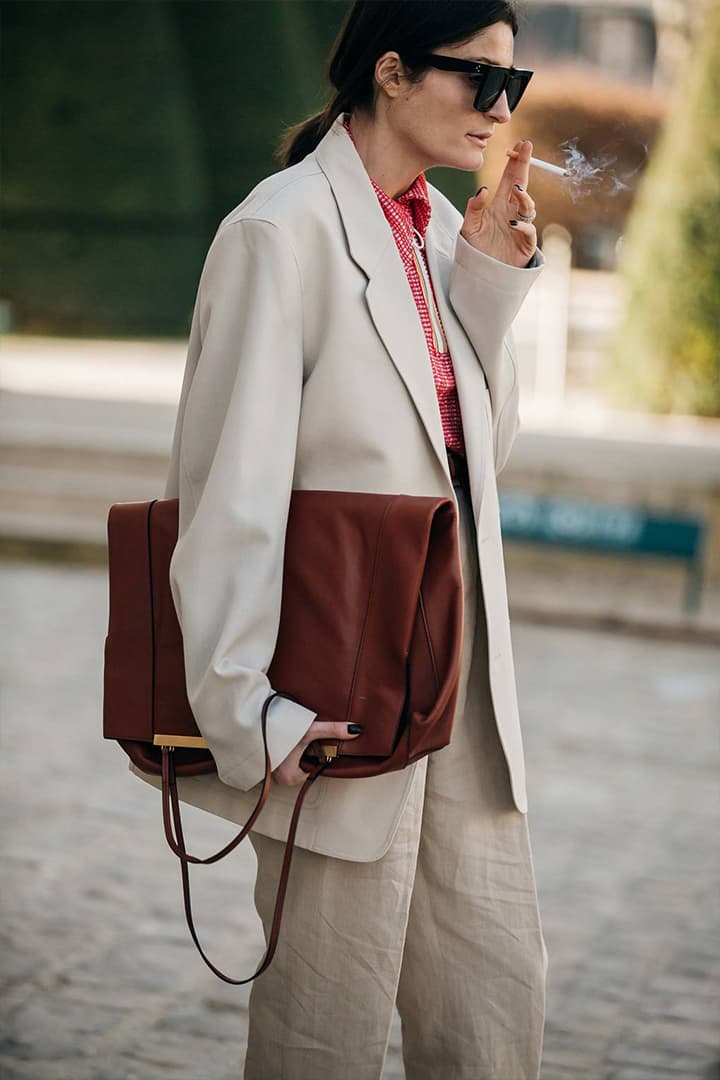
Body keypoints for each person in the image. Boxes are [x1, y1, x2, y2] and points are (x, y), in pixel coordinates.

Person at [129, 1, 549, 1076]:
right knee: (327, 1035)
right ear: (394, 73)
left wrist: (490, 289)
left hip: (459, 693)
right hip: (332, 704)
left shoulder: (440, 232)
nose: (499, 110)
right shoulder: (280, 232)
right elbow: (225, 491)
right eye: (479, 80)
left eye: (516, 85)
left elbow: (476, 469)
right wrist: (249, 716)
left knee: (493, 1023)